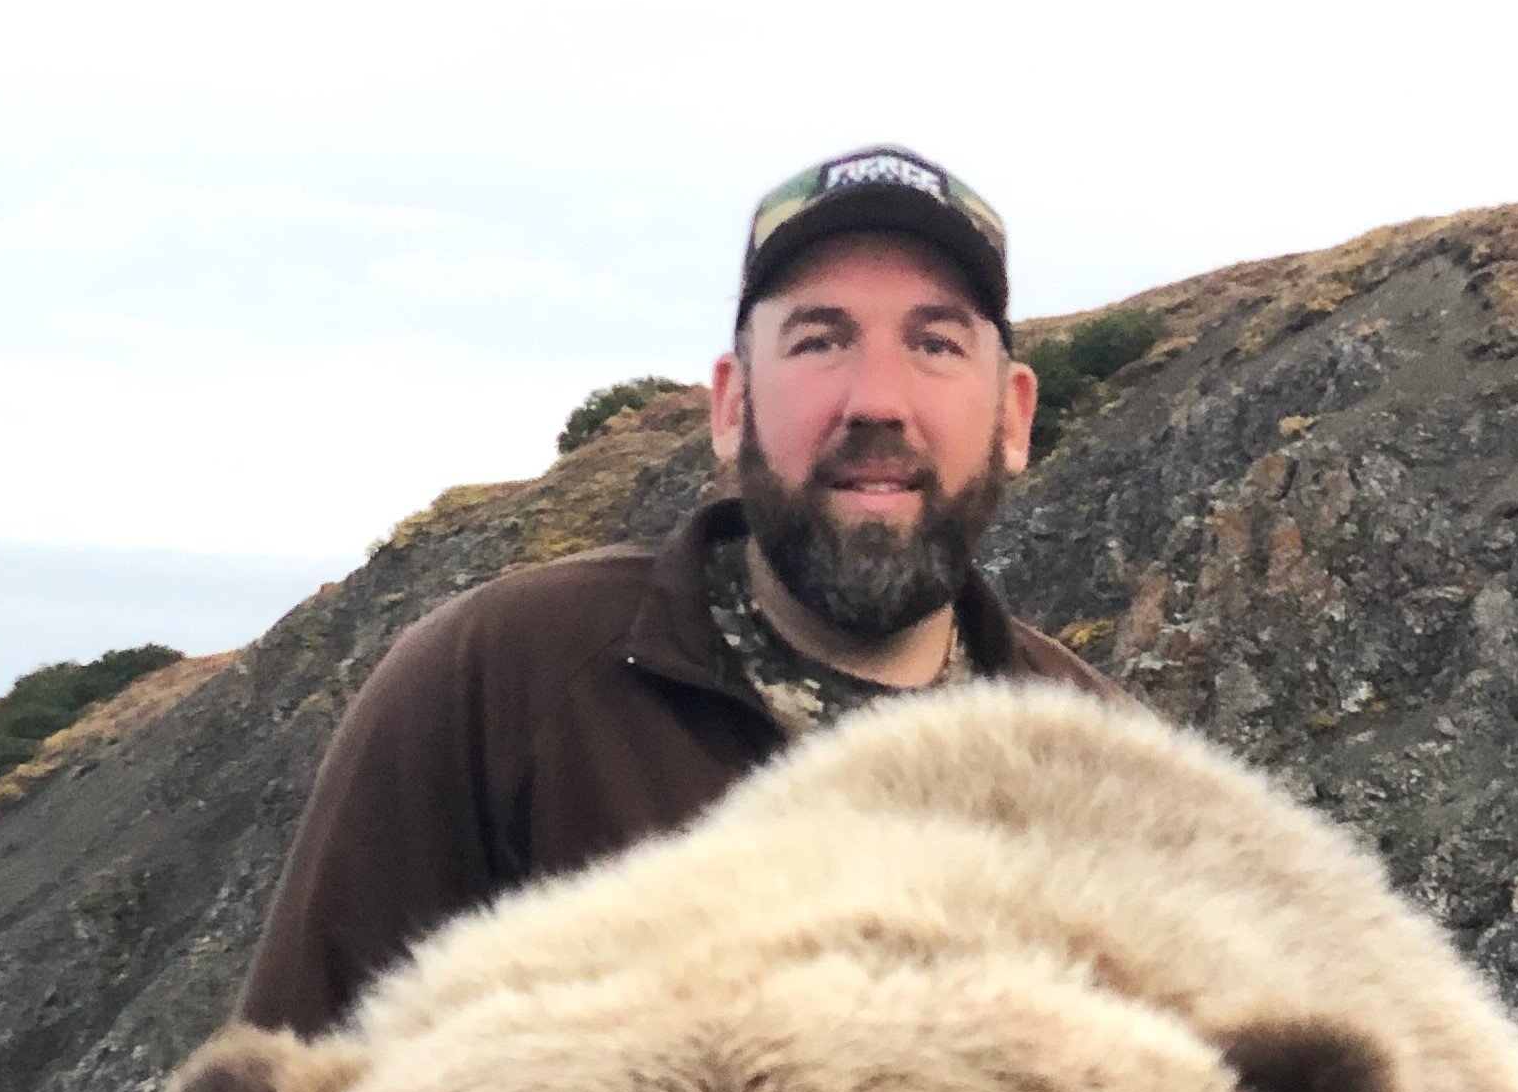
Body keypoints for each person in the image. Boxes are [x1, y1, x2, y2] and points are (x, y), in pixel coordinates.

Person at [229, 142, 1116, 1042]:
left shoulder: (1106, 771)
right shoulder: (493, 683)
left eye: (935, 344)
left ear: (1013, 416)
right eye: (819, 340)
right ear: (731, 405)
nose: (876, 401)